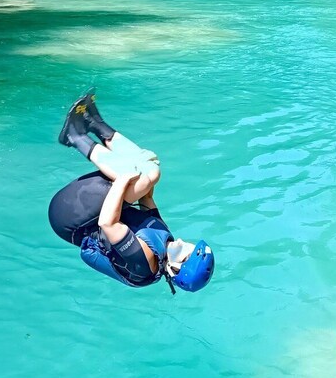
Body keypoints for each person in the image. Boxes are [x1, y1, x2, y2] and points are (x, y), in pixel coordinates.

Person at [49, 89, 215, 294]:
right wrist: (144, 159)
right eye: (187, 244)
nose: (180, 242)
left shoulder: (144, 264)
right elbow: (147, 197)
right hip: (94, 211)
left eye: (183, 252)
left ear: (174, 269)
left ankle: (75, 136)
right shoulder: (166, 243)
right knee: (151, 170)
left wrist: (123, 179)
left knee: (142, 173)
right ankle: (93, 122)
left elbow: (107, 224)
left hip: (70, 219)